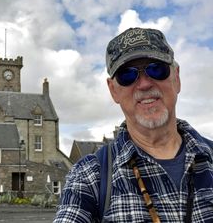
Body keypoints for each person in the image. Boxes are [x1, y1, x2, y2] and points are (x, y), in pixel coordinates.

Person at [54, 27, 213, 222]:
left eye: (156, 68)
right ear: (113, 90)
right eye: (127, 75)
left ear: (177, 78)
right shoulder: (88, 178)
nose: (144, 84)